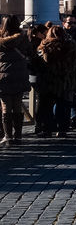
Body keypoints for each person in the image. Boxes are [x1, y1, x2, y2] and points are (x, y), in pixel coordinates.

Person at [0, 16, 31, 145]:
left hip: (3, 77)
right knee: (17, 105)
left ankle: (8, 136)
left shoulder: (1, 41)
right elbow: (31, 53)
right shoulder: (23, 39)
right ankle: (18, 136)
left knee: (6, 107)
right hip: (20, 75)